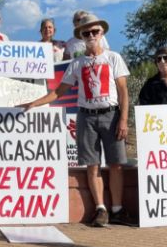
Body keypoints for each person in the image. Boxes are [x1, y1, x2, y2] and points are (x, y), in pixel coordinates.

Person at [19, 14, 134, 227]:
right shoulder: (77, 63)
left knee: (116, 164)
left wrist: (123, 119)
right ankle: (101, 209)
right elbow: (58, 92)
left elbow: (123, 91)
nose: (91, 35)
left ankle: (117, 209)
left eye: (95, 32)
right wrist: (33, 103)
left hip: (111, 115)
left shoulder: (113, 58)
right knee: (92, 165)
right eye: (86, 33)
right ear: (81, 36)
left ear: (102, 34)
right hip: (86, 117)